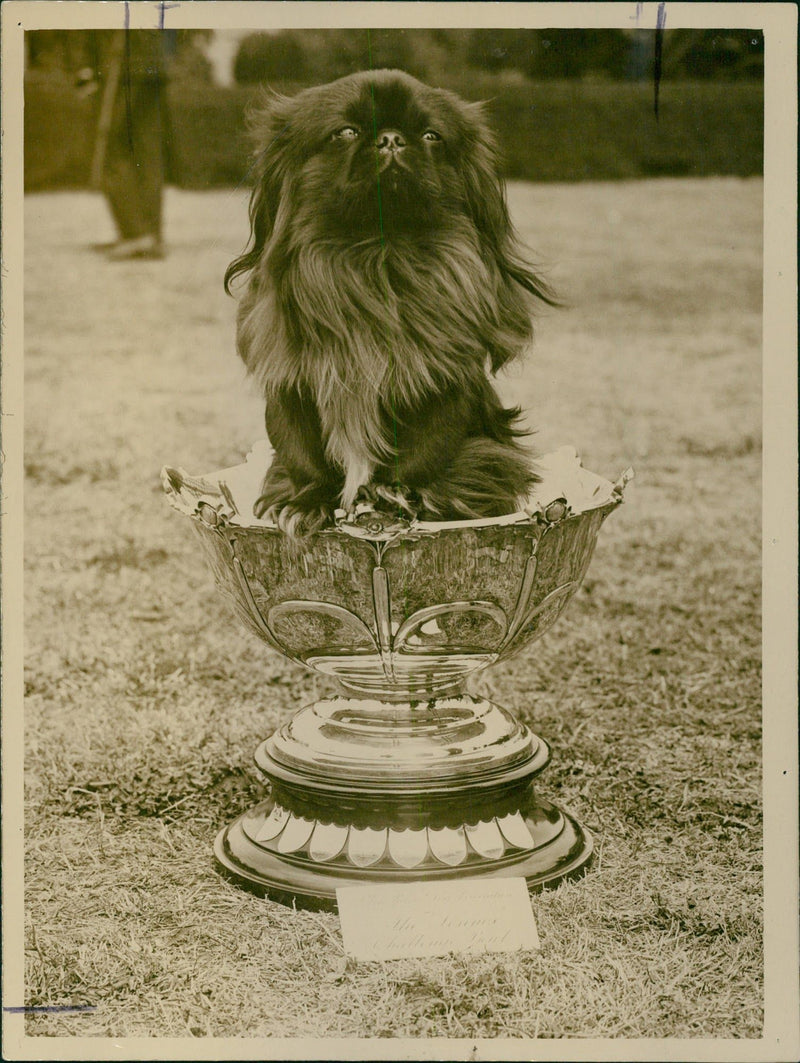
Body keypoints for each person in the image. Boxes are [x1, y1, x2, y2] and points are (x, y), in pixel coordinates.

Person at [78, 29, 175, 260]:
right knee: (147, 150)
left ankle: (135, 234)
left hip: (122, 60)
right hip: (152, 61)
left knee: (113, 144)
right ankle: (150, 235)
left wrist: (86, 66)